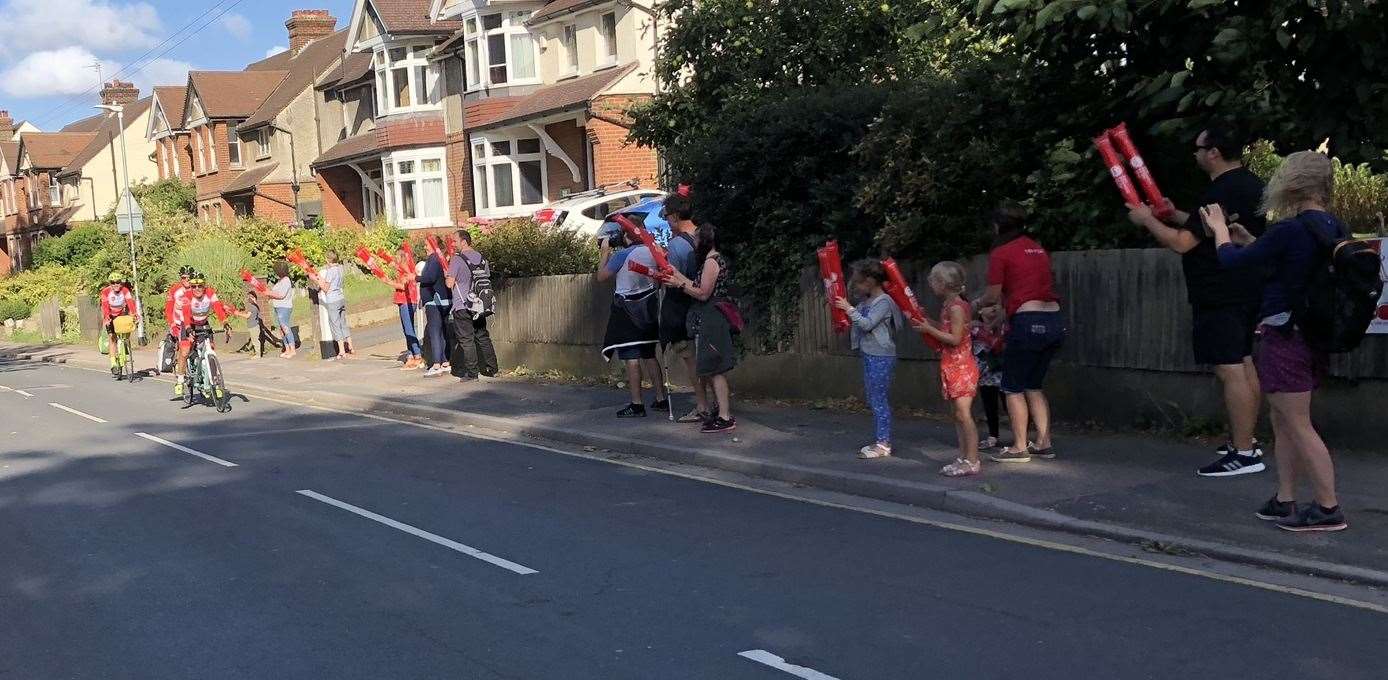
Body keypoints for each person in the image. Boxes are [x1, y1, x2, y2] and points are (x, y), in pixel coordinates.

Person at [1203, 150, 1347, 532]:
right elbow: (1286, 265)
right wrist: (1250, 240)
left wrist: (1219, 229)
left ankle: (1328, 507)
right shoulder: (1331, 226)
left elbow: (1232, 263)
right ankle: (1285, 499)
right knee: (1282, 418)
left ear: (1292, 182)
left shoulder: (1291, 228)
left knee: (1297, 422)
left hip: (1284, 333)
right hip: (1313, 333)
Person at [1127, 121, 1268, 477]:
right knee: (1244, 362)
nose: (1196, 153)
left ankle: (1245, 452)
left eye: (1199, 148)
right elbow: (1204, 229)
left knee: (1230, 368)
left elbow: (1182, 243)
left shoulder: (1219, 190)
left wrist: (1147, 220)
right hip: (1247, 286)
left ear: (1214, 153)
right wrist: (1174, 216)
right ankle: (1246, 438)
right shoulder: (1251, 185)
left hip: (1219, 290)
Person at [981, 201, 1065, 463]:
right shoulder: (1037, 248)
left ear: (997, 226)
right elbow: (1030, 291)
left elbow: (993, 295)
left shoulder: (1001, 252)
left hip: (1027, 323)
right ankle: (1043, 442)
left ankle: (1019, 447)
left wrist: (976, 304)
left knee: (1012, 386)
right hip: (1053, 319)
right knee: (1034, 385)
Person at [665, 222, 737, 433]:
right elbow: (696, 286)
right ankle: (720, 412)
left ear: (705, 241)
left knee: (716, 368)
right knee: (712, 367)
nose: (694, 243)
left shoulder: (711, 262)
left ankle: (724, 416)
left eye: (696, 239)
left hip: (713, 318)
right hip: (710, 317)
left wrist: (679, 284)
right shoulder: (711, 260)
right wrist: (676, 275)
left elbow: (703, 293)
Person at [914, 262, 983, 477]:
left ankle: (972, 459)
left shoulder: (955, 307)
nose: (931, 285)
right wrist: (927, 321)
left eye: (933, 281)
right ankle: (963, 457)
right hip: (952, 365)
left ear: (944, 284)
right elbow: (946, 329)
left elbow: (954, 338)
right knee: (958, 415)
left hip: (961, 366)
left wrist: (928, 329)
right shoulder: (950, 305)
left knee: (964, 414)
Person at [833, 260, 903, 459]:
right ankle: (881, 439)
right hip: (870, 353)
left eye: (860, 283)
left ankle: (884, 443)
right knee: (874, 398)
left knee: (879, 399)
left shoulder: (884, 302)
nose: (857, 287)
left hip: (881, 354)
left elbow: (867, 324)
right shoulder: (867, 301)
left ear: (871, 281)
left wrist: (849, 309)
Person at [598, 230, 669, 417]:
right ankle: (661, 398)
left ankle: (637, 404)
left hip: (627, 310)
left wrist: (605, 253)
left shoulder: (622, 254)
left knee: (631, 357)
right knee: (649, 354)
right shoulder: (653, 251)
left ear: (626, 236)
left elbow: (601, 277)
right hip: (649, 309)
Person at [659, 188, 712, 423]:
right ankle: (719, 403)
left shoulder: (677, 245)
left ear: (674, 216)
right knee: (710, 359)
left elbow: (672, 279)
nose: (668, 223)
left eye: (667, 217)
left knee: (691, 360)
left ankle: (701, 405)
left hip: (682, 306)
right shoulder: (704, 237)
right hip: (708, 304)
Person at [445, 230, 499, 381]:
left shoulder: (456, 259)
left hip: (462, 305)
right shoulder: (482, 259)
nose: (453, 244)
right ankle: (492, 368)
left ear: (464, 242)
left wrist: (448, 274)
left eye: (455, 241)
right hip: (480, 305)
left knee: (466, 340)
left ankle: (472, 373)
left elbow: (450, 283)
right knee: (482, 336)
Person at [174, 273, 231, 397]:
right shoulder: (187, 297)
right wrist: (189, 330)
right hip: (189, 324)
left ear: (204, 286)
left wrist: (225, 322)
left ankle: (215, 382)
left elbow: (218, 309)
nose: (197, 289)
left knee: (211, 350)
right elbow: (186, 314)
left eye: (200, 286)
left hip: (203, 324)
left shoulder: (210, 293)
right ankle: (180, 380)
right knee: (184, 351)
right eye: (194, 286)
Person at [971, 299, 1007, 451]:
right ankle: (993, 435)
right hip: (984, 373)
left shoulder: (1004, 326)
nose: (993, 307)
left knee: (1009, 403)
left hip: (1003, 370)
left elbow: (998, 343)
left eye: (995, 304)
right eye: (988, 306)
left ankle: (1021, 435)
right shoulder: (974, 328)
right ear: (980, 311)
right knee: (989, 405)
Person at [311, 250, 354, 359]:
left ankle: (341, 351)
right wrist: (318, 277)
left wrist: (315, 280)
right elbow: (328, 282)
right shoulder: (340, 268)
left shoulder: (330, 271)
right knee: (343, 323)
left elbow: (326, 288)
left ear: (327, 259)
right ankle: (351, 346)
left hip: (332, 300)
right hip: (340, 298)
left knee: (335, 325)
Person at [417, 247, 452, 377]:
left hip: (434, 301)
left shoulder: (434, 259)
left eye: (426, 244)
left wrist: (416, 277)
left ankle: (437, 364)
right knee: (442, 331)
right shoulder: (441, 258)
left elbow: (430, 278)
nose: (425, 247)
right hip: (444, 300)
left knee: (434, 331)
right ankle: (444, 361)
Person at [389, 245, 423, 370]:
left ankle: (417, 354)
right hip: (405, 300)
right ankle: (410, 355)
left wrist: (388, 282)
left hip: (406, 300)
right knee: (406, 328)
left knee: (408, 328)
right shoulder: (405, 268)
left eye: (397, 256)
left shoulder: (406, 268)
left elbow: (403, 286)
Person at [99, 273, 137, 377]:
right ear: (110, 284)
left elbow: (130, 303)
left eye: (118, 282)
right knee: (112, 338)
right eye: (113, 283)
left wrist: (134, 314)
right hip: (110, 315)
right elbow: (105, 306)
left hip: (121, 314)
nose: (116, 284)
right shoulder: (106, 292)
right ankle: (113, 364)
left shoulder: (125, 291)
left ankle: (123, 353)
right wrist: (107, 318)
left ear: (121, 283)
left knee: (125, 334)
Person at [164, 265, 194, 377]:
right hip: (179, 322)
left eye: (189, 278)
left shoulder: (197, 288)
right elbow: (168, 309)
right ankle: (180, 371)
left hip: (194, 322)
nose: (186, 280)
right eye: (183, 278)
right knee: (184, 349)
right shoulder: (175, 289)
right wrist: (171, 324)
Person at [267, 261, 297, 359]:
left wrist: (269, 293)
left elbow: (281, 295)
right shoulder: (280, 281)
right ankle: (287, 348)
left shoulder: (286, 280)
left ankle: (292, 349)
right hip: (277, 307)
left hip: (284, 307)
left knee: (285, 327)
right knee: (281, 329)